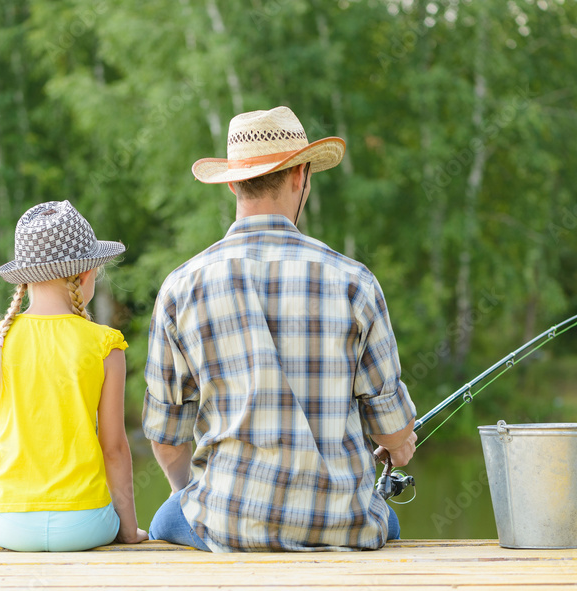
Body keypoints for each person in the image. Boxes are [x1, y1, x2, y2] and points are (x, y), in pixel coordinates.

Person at [143, 106, 417, 552]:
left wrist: (186, 492)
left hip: (227, 524)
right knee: (391, 524)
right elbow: (390, 432)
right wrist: (400, 445)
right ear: (300, 176)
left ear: (232, 181)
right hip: (342, 524)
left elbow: (166, 439)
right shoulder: (355, 282)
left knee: (167, 516)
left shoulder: (181, 287)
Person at [0, 200, 148, 551]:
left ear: (25, 280)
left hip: (4, 524)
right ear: (84, 276)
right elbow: (113, 449)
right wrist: (129, 531)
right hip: (84, 524)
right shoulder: (104, 345)